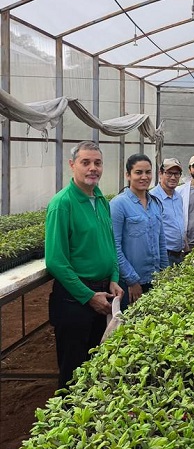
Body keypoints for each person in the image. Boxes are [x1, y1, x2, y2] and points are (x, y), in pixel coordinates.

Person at [45, 141, 123, 388]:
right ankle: (67, 412)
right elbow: (56, 261)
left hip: (101, 293)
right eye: (85, 162)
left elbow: (109, 244)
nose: (93, 168)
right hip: (74, 299)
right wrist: (88, 296)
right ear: (72, 165)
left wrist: (114, 277)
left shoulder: (101, 200)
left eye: (97, 163)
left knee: (94, 365)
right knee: (73, 370)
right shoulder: (62, 204)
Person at [110, 153, 168, 308]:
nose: (144, 177)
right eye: (138, 172)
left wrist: (165, 274)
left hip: (154, 279)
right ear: (128, 175)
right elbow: (114, 247)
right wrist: (132, 280)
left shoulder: (155, 203)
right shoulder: (118, 204)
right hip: (129, 284)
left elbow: (161, 241)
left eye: (148, 172)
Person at [150, 157, 185, 265]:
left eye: (177, 174)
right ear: (160, 174)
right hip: (163, 255)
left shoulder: (178, 197)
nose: (173, 177)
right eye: (169, 173)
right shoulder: (152, 198)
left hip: (179, 254)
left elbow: (179, 223)